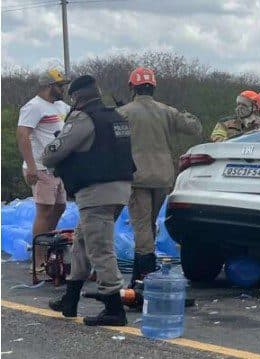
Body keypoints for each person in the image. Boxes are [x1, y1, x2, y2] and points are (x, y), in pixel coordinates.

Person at [44, 75, 135, 326]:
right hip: (120, 188)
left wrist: (48, 151)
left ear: (77, 97)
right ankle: (70, 299)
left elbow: (56, 151)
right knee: (82, 243)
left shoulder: (84, 118)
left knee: (99, 249)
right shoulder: (116, 116)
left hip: (96, 192)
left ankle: (115, 309)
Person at [116, 67, 202, 287]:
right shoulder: (167, 111)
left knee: (142, 226)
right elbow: (194, 128)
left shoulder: (124, 112)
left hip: (137, 177)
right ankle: (138, 275)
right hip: (163, 176)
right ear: (153, 87)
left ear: (132, 87)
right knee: (150, 224)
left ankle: (145, 274)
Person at [16, 67, 71, 270]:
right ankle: (38, 259)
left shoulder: (61, 106)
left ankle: (47, 243)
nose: (63, 89)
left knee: (60, 206)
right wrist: (31, 167)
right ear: (49, 86)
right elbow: (23, 135)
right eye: (60, 85)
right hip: (40, 167)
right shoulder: (33, 107)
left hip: (58, 168)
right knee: (44, 210)